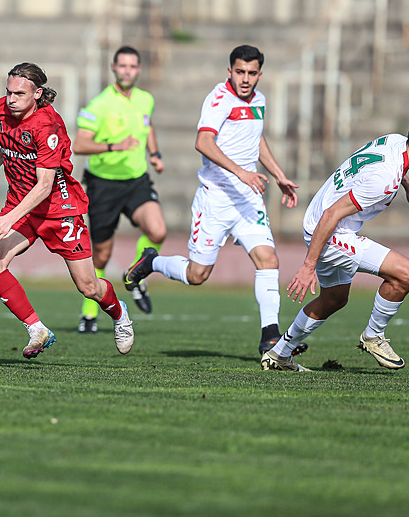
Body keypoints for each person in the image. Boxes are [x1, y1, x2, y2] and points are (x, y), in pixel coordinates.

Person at [124, 44, 303, 356]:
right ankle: (152, 261)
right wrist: (241, 172)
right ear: (229, 71)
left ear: (260, 74)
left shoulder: (259, 100)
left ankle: (270, 337)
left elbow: (255, 137)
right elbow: (203, 141)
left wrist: (277, 174)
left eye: (251, 73)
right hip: (216, 199)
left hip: (248, 200)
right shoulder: (219, 99)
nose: (245, 79)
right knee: (197, 275)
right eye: (239, 72)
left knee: (268, 260)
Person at [261, 114, 409, 371]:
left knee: (334, 299)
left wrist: (408, 186)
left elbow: (385, 166)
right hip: (330, 231)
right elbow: (332, 215)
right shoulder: (384, 180)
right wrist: (308, 267)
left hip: (318, 218)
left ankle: (278, 355)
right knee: (405, 273)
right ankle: (373, 336)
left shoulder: (395, 141)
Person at [0, 62, 134, 358]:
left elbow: (45, 185)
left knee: (88, 287)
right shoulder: (1, 108)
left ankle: (119, 314)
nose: (11, 99)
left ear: (37, 94)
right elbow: (10, 138)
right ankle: (37, 329)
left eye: (19, 94)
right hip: (21, 203)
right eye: (9, 92)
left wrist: (8, 218)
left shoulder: (46, 125)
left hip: (58, 207)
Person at [72, 45, 167, 334]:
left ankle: (135, 274)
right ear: (113, 68)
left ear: (139, 69)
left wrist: (155, 154)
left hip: (136, 181)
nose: (127, 71)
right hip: (103, 185)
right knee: (100, 255)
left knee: (158, 231)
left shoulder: (145, 99)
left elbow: (147, 126)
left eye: (132, 66)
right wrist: (115, 146)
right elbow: (79, 144)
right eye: (122, 66)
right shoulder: (99, 105)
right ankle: (89, 314)